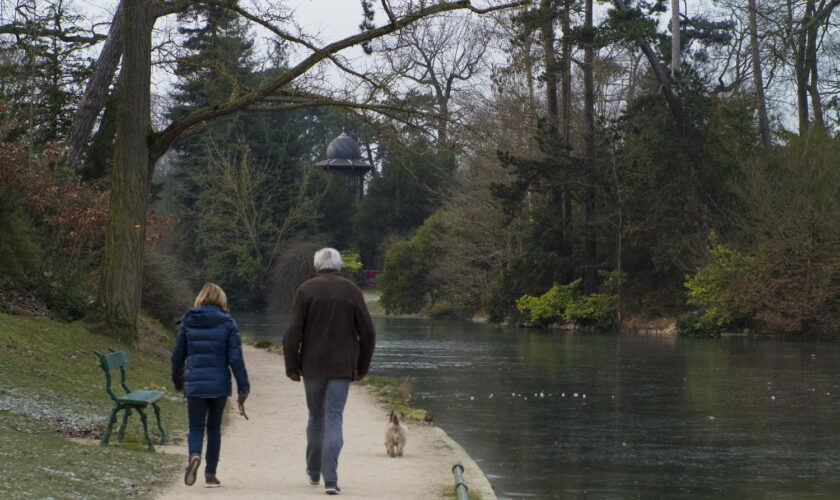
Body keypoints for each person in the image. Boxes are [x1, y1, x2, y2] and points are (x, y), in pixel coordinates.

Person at [283, 248, 376, 495]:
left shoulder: (306, 290)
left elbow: (293, 331)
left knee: (315, 417)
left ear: (316, 266)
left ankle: (313, 472)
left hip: (312, 365)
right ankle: (331, 480)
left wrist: (292, 367)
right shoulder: (352, 291)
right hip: (342, 366)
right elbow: (368, 333)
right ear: (339, 265)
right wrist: (362, 367)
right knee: (334, 418)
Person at [171, 283, 250, 488]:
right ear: (221, 299)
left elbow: (177, 357)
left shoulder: (188, 322)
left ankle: (194, 454)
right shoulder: (228, 323)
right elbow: (236, 359)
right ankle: (210, 475)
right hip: (218, 385)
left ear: (200, 298)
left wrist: (179, 381)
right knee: (214, 429)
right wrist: (243, 386)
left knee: (195, 427)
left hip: (196, 384)